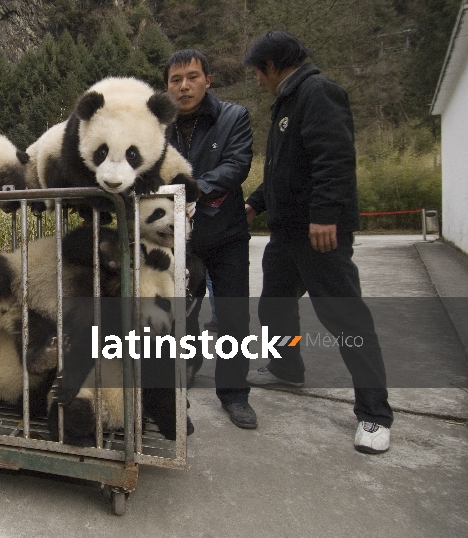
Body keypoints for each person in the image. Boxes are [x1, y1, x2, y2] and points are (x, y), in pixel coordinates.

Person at [243, 30, 393, 454]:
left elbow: (335, 157)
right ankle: (287, 368)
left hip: (318, 232)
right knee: (273, 303)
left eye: (257, 72)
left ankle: (375, 415)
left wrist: (325, 215)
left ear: (272, 66)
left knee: (345, 317)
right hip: (286, 233)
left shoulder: (318, 92)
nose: (257, 80)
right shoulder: (286, 102)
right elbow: (282, 169)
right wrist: (255, 203)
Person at [164, 49, 257, 429]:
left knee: (233, 317)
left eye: (191, 77)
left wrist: (188, 190)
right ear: (166, 86)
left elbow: (236, 166)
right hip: (178, 238)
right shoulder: (158, 126)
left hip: (226, 234)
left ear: (208, 80)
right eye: (175, 80)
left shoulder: (233, 117)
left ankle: (235, 395)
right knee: (179, 314)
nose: (183, 86)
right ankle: (185, 367)